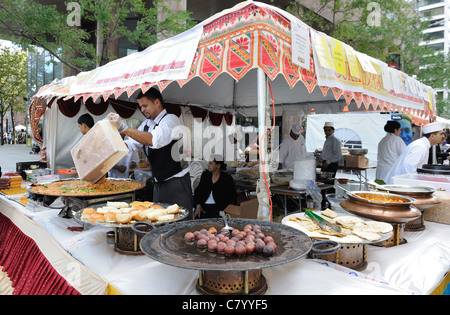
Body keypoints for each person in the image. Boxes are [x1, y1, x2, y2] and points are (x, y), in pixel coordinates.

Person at [107, 88, 193, 214]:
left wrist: (124, 128)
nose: (142, 110)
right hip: (159, 182)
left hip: (176, 182)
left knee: (180, 220)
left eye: (145, 106)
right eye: (141, 107)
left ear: (157, 102)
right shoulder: (147, 124)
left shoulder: (170, 120)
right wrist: (111, 147)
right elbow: (132, 143)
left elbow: (154, 139)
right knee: (160, 219)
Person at [193, 154, 237, 219]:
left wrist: (226, 210)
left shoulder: (226, 179)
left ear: (218, 165)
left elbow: (232, 197)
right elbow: (198, 192)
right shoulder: (205, 175)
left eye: (211, 163)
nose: (208, 165)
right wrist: (198, 205)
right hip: (204, 207)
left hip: (219, 209)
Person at [68, 113, 95, 178]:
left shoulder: (92, 139)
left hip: (94, 178)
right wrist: (77, 169)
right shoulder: (91, 137)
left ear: (84, 125)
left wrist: (77, 172)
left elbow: (95, 163)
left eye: (79, 127)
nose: (79, 129)